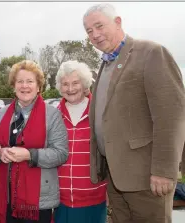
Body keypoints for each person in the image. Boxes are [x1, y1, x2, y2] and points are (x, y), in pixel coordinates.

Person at [83, 3, 185, 223]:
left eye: (99, 26)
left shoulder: (151, 53)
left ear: (118, 22)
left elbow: (171, 117)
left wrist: (164, 171)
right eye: (89, 31)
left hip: (147, 179)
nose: (95, 35)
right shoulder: (105, 64)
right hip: (115, 177)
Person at [0, 60, 68, 223]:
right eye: (20, 81)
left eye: (30, 81)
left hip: (38, 200)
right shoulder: (2, 114)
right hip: (6, 196)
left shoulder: (52, 115)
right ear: (14, 86)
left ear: (38, 86)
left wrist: (29, 155)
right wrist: (0, 153)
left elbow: (61, 154)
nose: (24, 86)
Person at [53, 60, 107, 223]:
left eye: (75, 83)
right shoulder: (54, 116)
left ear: (84, 84)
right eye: (65, 84)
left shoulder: (100, 112)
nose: (70, 89)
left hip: (94, 199)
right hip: (60, 200)